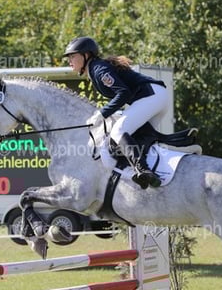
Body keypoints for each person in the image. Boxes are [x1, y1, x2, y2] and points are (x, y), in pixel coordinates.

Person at [64, 36, 168, 189]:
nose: (69, 61)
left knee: (118, 131)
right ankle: (177, 144)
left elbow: (123, 93)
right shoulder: (96, 69)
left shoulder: (99, 69)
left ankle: (143, 170)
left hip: (151, 95)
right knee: (139, 136)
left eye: (73, 56)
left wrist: (102, 114)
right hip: (156, 96)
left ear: (86, 55)